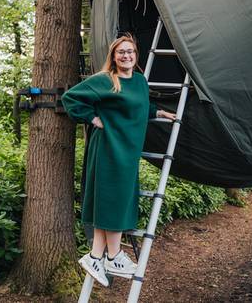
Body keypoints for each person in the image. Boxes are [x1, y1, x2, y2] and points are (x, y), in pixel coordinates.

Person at [62, 35, 176, 287]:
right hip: (107, 149)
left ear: (136, 56)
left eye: (131, 52)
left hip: (128, 151)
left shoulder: (139, 82)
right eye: (121, 52)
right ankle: (113, 256)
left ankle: (95, 256)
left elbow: (139, 106)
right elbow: (70, 98)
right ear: (113, 57)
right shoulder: (105, 80)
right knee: (113, 201)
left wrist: (157, 111)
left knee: (114, 201)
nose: (126, 56)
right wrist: (92, 118)